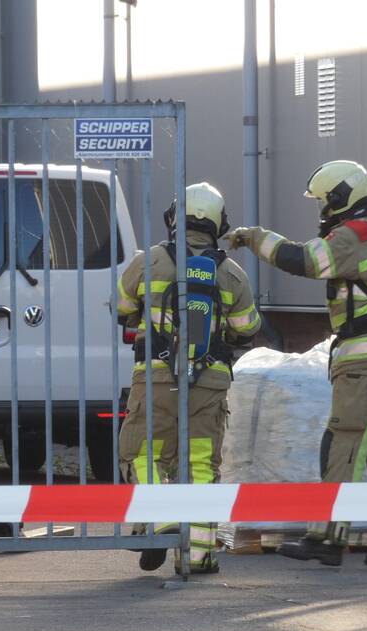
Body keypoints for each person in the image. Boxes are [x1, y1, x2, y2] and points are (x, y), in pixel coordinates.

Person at [224, 160, 367, 567]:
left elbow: (304, 261)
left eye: (323, 201)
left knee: (343, 442)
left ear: (339, 197)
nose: (322, 210)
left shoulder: (354, 235)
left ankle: (328, 538)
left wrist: (254, 237)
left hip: (366, 361)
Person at [116, 182, 261, 574]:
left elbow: (122, 306)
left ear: (174, 219)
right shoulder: (231, 273)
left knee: (143, 451)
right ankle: (198, 554)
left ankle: (158, 519)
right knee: (199, 464)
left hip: (157, 375)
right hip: (210, 380)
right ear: (219, 223)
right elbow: (247, 328)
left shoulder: (148, 262)